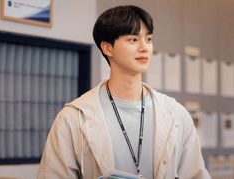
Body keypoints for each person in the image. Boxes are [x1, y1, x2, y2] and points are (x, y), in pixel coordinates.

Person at [37, 5, 211, 179]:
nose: (145, 47)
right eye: (133, 40)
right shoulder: (73, 118)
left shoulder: (176, 114)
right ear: (107, 48)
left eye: (148, 39)